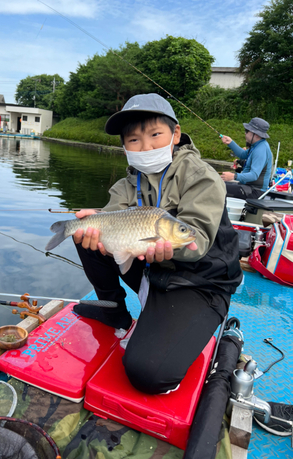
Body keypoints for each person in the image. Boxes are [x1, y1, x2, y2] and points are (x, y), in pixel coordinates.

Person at [72, 93, 243, 395]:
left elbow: (198, 239)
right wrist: (94, 223)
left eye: (155, 135)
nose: (146, 146)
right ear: (124, 146)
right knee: (87, 234)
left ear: (175, 134)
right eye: (134, 140)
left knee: (148, 374)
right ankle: (116, 313)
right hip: (151, 267)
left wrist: (172, 247)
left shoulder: (201, 177)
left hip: (200, 282)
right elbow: (112, 216)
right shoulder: (126, 184)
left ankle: (174, 318)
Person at [220, 118, 273, 200]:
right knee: (217, 183)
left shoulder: (261, 150)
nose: (245, 133)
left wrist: (234, 176)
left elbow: (254, 175)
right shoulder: (257, 145)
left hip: (255, 192)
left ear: (256, 135)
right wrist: (230, 143)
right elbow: (242, 154)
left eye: (247, 131)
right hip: (247, 187)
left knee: (217, 188)